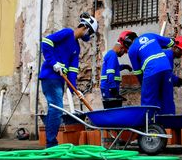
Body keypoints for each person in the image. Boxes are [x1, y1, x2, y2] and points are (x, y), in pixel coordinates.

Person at [39, 12, 98, 147]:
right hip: (50, 76)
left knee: (55, 108)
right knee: (57, 108)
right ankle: (51, 143)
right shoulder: (67, 33)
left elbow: (73, 70)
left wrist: (74, 90)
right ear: (85, 27)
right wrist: (53, 63)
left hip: (59, 80)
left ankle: (51, 142)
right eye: (90, 33)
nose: (88, 36)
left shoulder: (76, 48)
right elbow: (46, 42)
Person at [120, 32, 177, 114]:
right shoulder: (150, 35)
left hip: (151, 71)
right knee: (167, 98)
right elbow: (170, 42)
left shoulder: (132, 50)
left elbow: (138, 72)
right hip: (166, 67)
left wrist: (144, 85)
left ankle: (148, 120)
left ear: (127, 43)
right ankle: (170, 119)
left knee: (148, 100)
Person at [100, 37, 133, 108]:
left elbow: (115, 68)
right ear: (121, 48)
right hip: (109, 87)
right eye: (124, 52)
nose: (123, 54)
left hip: (108, 87)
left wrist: (125, 66)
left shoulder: (111, 54)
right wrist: (113, 88)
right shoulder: (112, 55)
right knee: (112, 109)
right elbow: (110, 73)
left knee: (113, 108)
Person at [161, 35, 182, 114]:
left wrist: (177, 80)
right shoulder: (168, 56)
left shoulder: (167, 55)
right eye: (181, 51)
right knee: (167, 104)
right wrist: (176, 80)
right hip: (163, 87)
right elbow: (167, 75)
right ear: (175, 47)